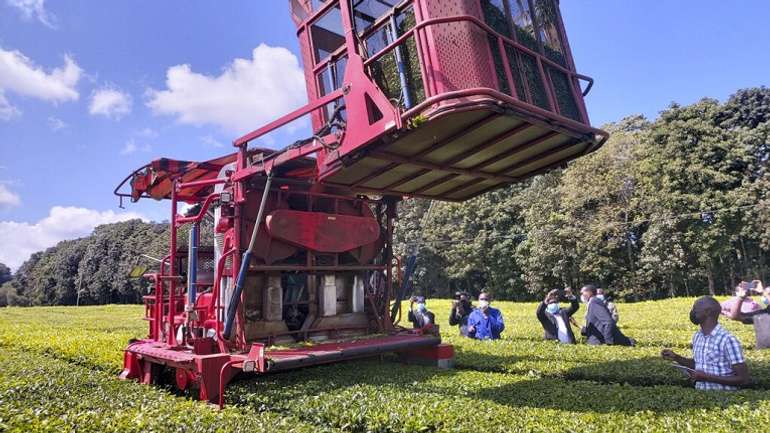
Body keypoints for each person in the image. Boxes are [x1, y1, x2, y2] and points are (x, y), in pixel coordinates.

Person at [661, 296, 750, 390]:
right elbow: (700, 364)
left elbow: (743, 379)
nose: (693, 312)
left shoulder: (727, 340)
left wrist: (707, 378)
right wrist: (676, 357)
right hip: (702, 396)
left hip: (723, 398)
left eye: (695, 309)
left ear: (707, 312)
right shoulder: (697, 336)